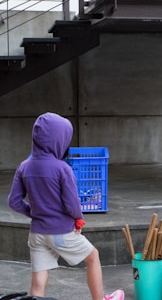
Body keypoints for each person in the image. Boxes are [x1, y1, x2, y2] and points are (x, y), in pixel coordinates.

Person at [7, 112, 124, 300]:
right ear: (58, 140)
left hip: (37, 234)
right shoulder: (62, 168)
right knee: (93, 257)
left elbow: (13, 201)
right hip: (61, 232)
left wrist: (34, 213)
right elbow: (72, 204)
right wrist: (78, 218)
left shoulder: (24, 166)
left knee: (39, 279)